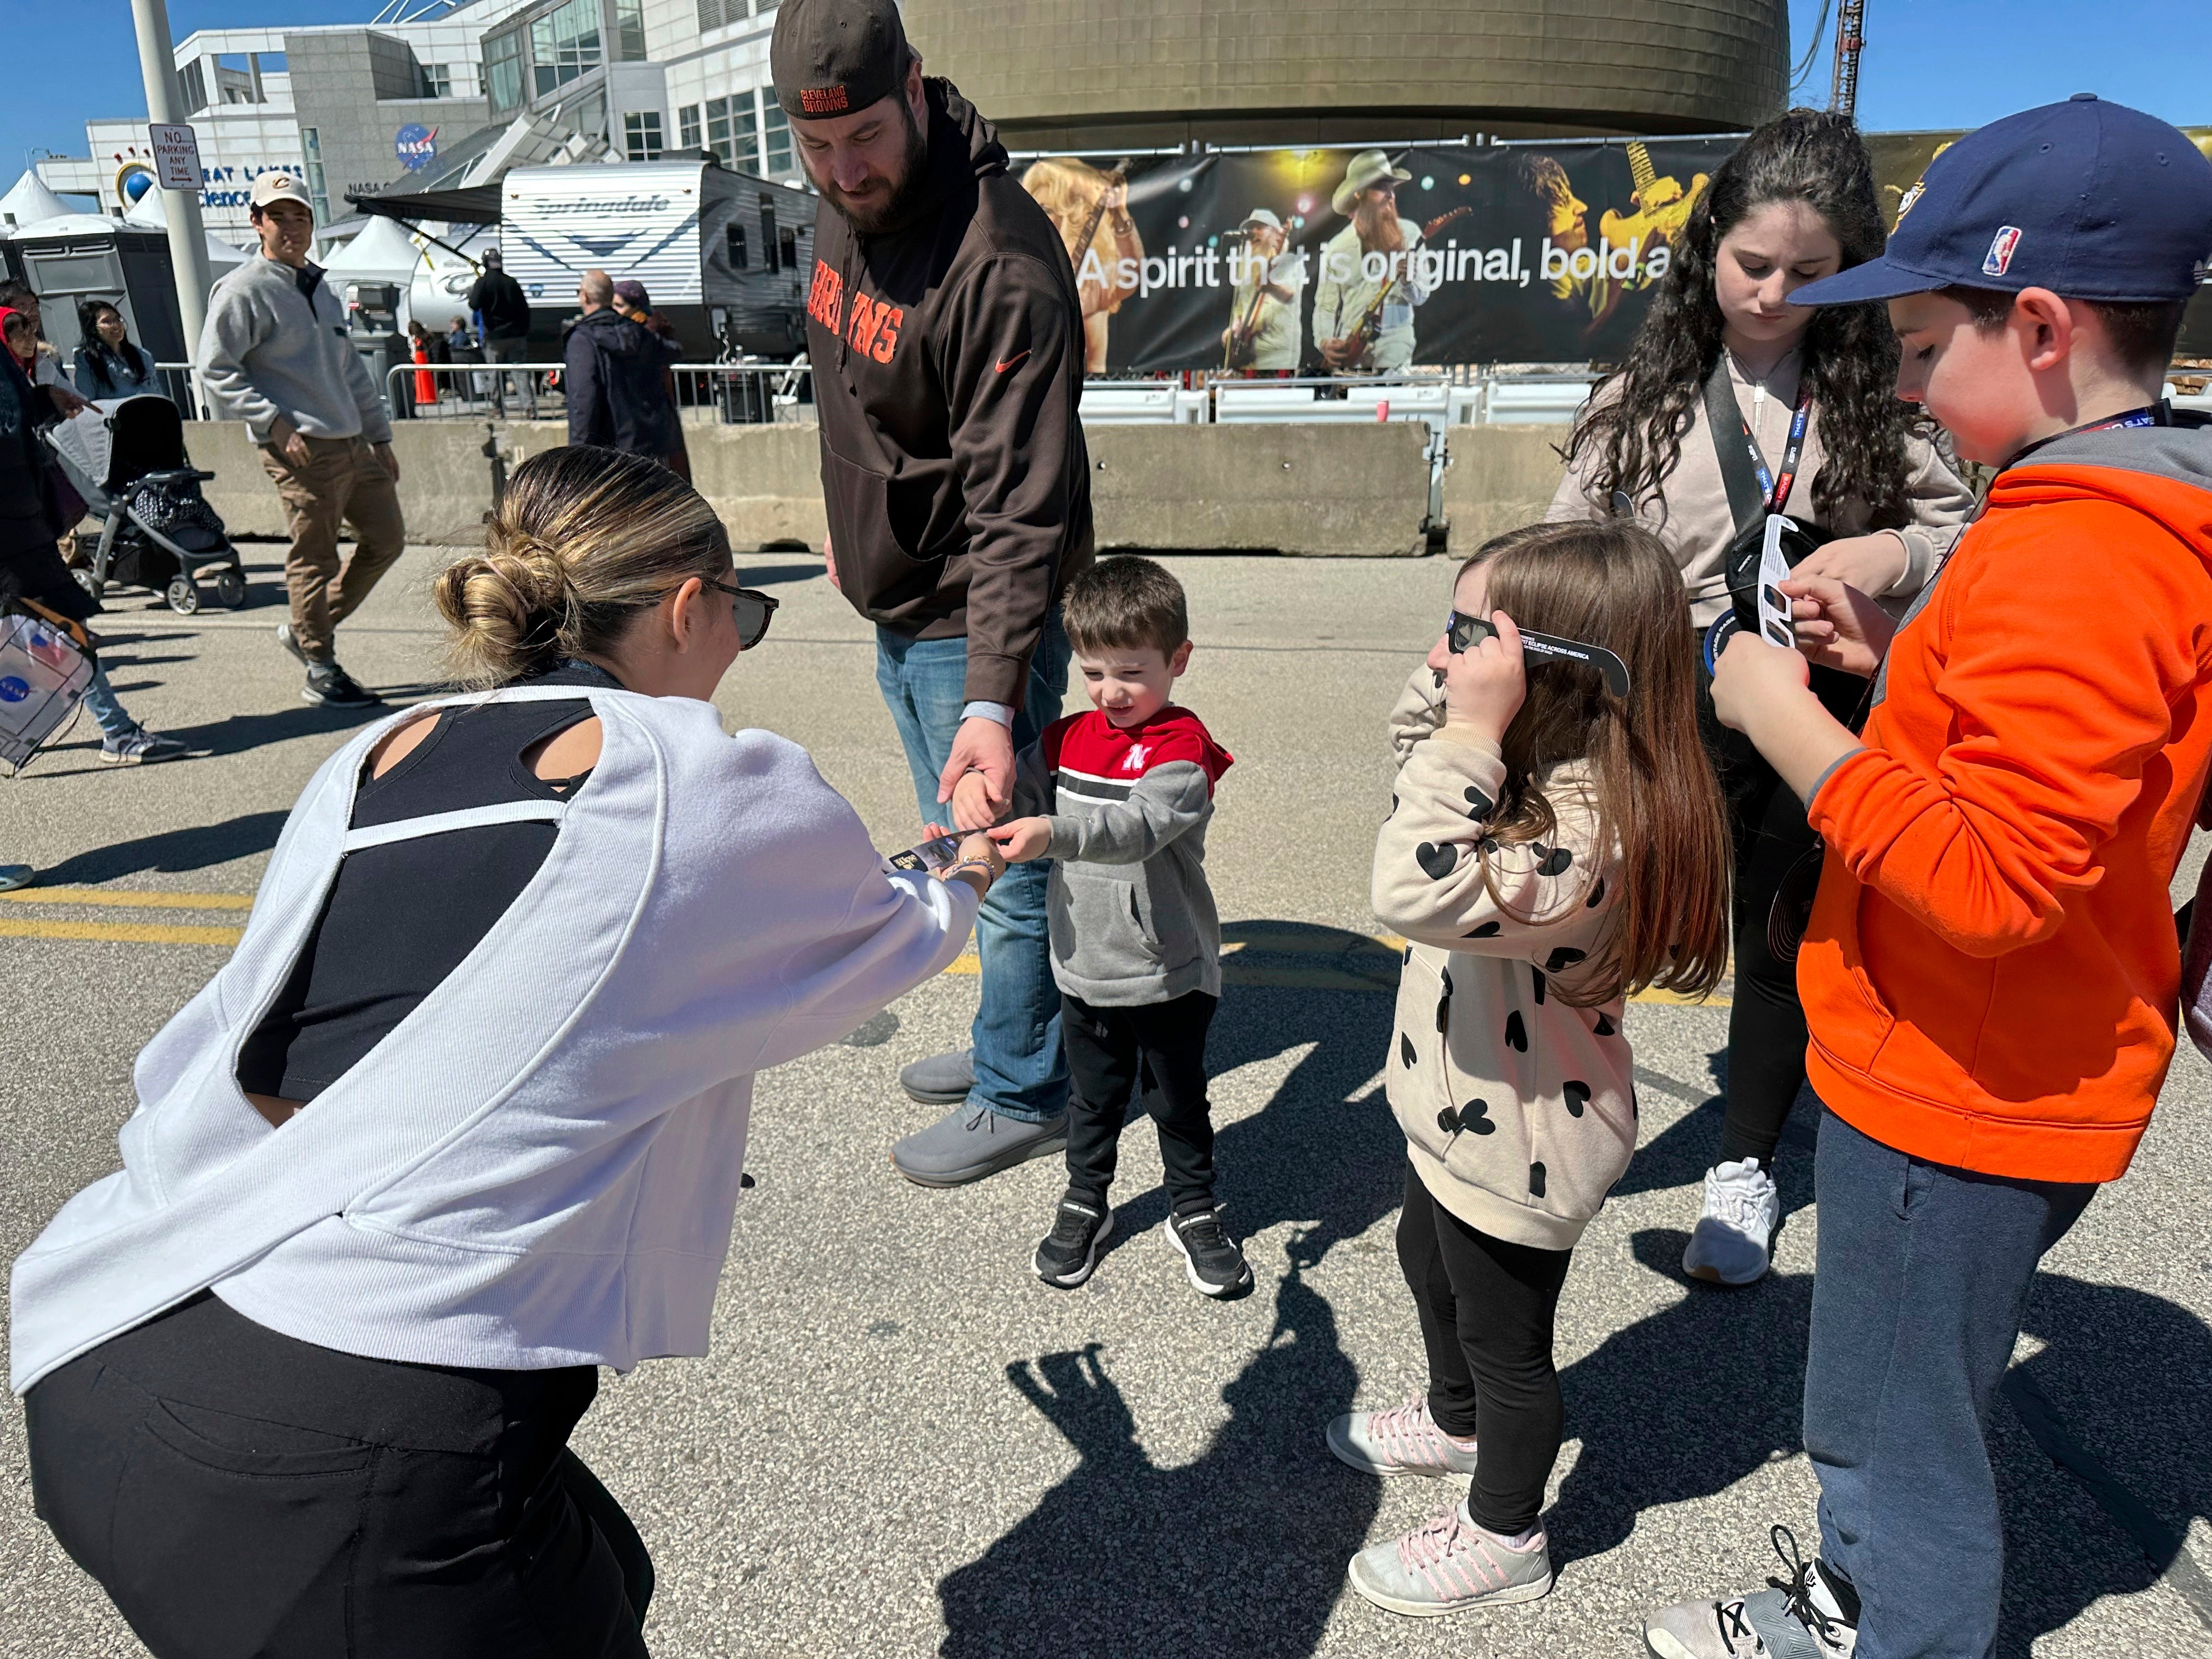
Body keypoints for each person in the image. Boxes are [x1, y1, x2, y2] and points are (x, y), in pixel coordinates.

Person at [13, 444, 1005, 1656]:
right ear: (690, 606)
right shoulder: (694, 776)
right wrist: (970, 850)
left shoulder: (377, 751)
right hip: (336, 1464)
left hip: (120, 1324)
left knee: (610, 1574)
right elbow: (888, 933)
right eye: (742, 613)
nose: (739, 642)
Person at [1643, 97, 2212, 1659]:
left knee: (1901, 1437)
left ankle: (1892, 1627)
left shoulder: (2082, 548)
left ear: (2036, 325)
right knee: (1877, 1399)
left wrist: (1776, 713)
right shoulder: (2114, 506)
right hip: (1980, 1057)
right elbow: (2045, 771)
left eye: (1913, 348)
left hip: (1964, 1079)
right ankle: (1859, 1591)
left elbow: (1990, 875)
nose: (1896, 381)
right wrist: (1905, 667)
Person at [1550, 109, 1974, 1286]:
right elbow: (1567, 544)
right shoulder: (1644, 391)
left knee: (1782, 934)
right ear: (1709, 250)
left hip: (1811, 701)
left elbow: (1951, 522)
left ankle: (1745, 1162)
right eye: (1752, 264)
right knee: (1617, 915)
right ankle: (1571, 1108)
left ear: (1852, 269)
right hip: (1661, 698)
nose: (1775, 291)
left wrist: (1891, 557)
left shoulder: (1883, 391)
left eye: (1809, 271)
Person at [1331, 520, 1730, 1618]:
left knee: (1511, 1347)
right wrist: (1458, 699)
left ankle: (1507, 1531)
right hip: (1458, 1104)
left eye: (1474, 638)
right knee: (1428, 1260)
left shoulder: (1589, 830)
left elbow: (1409, 890)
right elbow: (1414, 755)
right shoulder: (1529, 764)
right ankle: (1453, 1421)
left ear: (1551, 675)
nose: (1452, 660)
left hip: (1525, 1139)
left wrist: (1470, 726)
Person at [774, 0, 1094, 1185]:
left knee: (996, 863)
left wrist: (993, 704)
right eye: (815, 149)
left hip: (979, 614)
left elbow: (1024, 510)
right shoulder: (835, 199)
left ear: (914, 87)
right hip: (898, 597)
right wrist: (850, 516)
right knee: (953, 846)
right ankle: (1008, 1035)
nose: (843, 172)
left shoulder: (999, 263)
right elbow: (848, 382)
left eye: (862, 136)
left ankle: (1027, 1089)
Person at [962, 557, 1245, 1296]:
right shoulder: (1063, 740)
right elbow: (1011, 797)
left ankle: (1195, 1208)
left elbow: (1135, 828)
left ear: (1178, 661)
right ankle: (1086, 1199)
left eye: (1130, 672)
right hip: (1083, 963)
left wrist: (1049, 834)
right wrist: (973, 801)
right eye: (1092, 673)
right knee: (1092, 1103)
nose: (1110, 693)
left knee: (1179, 1103)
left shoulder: (1184, 751)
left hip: (1167, 968)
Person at [200, 170, 403, 711]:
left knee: (387, 539)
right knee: (315, 559)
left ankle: (307, 628)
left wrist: (380, 436)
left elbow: (351, 370)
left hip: (354, 442)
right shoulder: (245, 289)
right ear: (257, 222)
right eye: (279, 216)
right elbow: (215, 369)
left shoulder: (320, 286)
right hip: (302, 448)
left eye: (301, 216)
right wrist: (274, 422)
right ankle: (320, 665)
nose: (292, 226)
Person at [0, 308, 182, 764]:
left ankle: (114, 729)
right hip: (11, 531)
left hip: (22, 521)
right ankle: (116, 730)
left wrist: (47, 398)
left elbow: (14, 419)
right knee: (62, 628)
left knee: (58, 629)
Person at [1019, 156, 1142, 374]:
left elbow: (1131, 276)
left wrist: (1120, 214)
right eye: (1034, 208)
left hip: (1092, 390)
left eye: (1048, 210)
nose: (1039, 218)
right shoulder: (1024, 265)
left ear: (1070, 212)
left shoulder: (1092, 277)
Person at [1313, 151, 1432, 374]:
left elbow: (1422, 295)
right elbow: (1326, 306)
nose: (1390, 196)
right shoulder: (1338, 247)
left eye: (1392, 188)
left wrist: (1408, 281)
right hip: (1351, 340)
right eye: (1381, 188)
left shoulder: (1410, 234)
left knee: (1389, 387)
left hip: (1395, 334)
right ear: (1359, 194)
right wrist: (1325, 341)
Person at [565, 269, 682, 463]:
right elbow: (673, 351)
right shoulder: (639, 332)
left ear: (584, 296)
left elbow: (584, 401)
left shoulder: (582, 340)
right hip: (652, 446)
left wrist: (578, 456)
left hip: (609, 451)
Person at [611, 278, 692, 482]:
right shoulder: (618, 334)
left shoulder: (651, 333)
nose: (614, 311)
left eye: (620, 306)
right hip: (630, 424)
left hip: (654, 425)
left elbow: (673, 351)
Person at [1222, 207, 1303, 375]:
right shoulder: (1246, 267)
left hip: (1277, 356)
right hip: (1248, 356)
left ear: (1277, 235)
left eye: (1260, 228)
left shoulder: (1288, 262)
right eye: (1251, 229)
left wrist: (1272, 287)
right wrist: (1234, 329)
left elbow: (1291, 295)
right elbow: (1240, 308)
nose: (1253, 233)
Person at [468, 246, 537, 418]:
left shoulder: (483, 283)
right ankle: (528, 408)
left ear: (485, 264)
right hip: (516, 335)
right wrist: (523, 330)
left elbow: (474, 304)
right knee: (520, 371)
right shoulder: (511, 282)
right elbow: (525, 309)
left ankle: (498, 409)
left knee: (495, 373)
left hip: (494, 337)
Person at [71, 301, 162, 402]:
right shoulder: (87, 359)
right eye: (106, 322)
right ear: (93, 328)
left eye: (117, 319)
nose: (116, 325)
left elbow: (156, 391)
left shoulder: (143, 355)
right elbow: (86, 399)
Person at [0, 281, 75, 394]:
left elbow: (68, 393)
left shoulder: (48, 354)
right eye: (22, 306)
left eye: (34, 305)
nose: (32, 311)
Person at [408, 320, 437, 408]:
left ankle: (423, 397)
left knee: (421, 379)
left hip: (420, 359)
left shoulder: (418, 339)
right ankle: (427, 396)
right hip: (424, 359)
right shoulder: (427, 337)